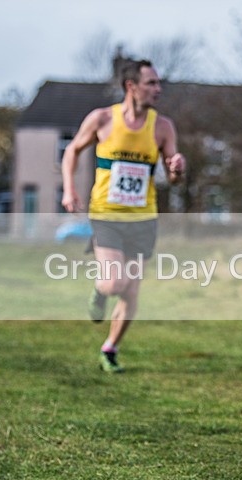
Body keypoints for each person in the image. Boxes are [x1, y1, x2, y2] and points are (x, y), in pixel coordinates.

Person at [61, 59, 185, 373]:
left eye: (158, 83)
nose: (158, 89)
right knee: (115, 282)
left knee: (131, 290)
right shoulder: (102, 119)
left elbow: (173, 177)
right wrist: (69, 190)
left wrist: (176, 169)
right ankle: (100, 290)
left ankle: (110, 348)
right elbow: (72, 150)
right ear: (131, 86)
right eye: (151, 83)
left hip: (143, 218)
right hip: (106, 214)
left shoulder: (162, 126)